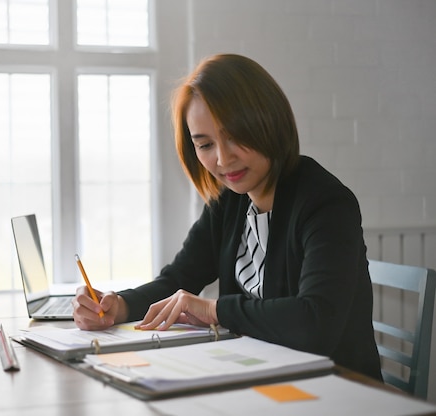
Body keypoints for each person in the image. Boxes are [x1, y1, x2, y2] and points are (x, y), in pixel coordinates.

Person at [72, 53, 382, 380]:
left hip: (337, 389)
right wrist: (117, 306)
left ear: (269, 122)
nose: (223, 159)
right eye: (205, 145)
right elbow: (178, 280)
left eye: (234, 136)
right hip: (262, 379)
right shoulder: (229, 201)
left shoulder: (326, 203)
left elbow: (314, 323)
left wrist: (212, 310)